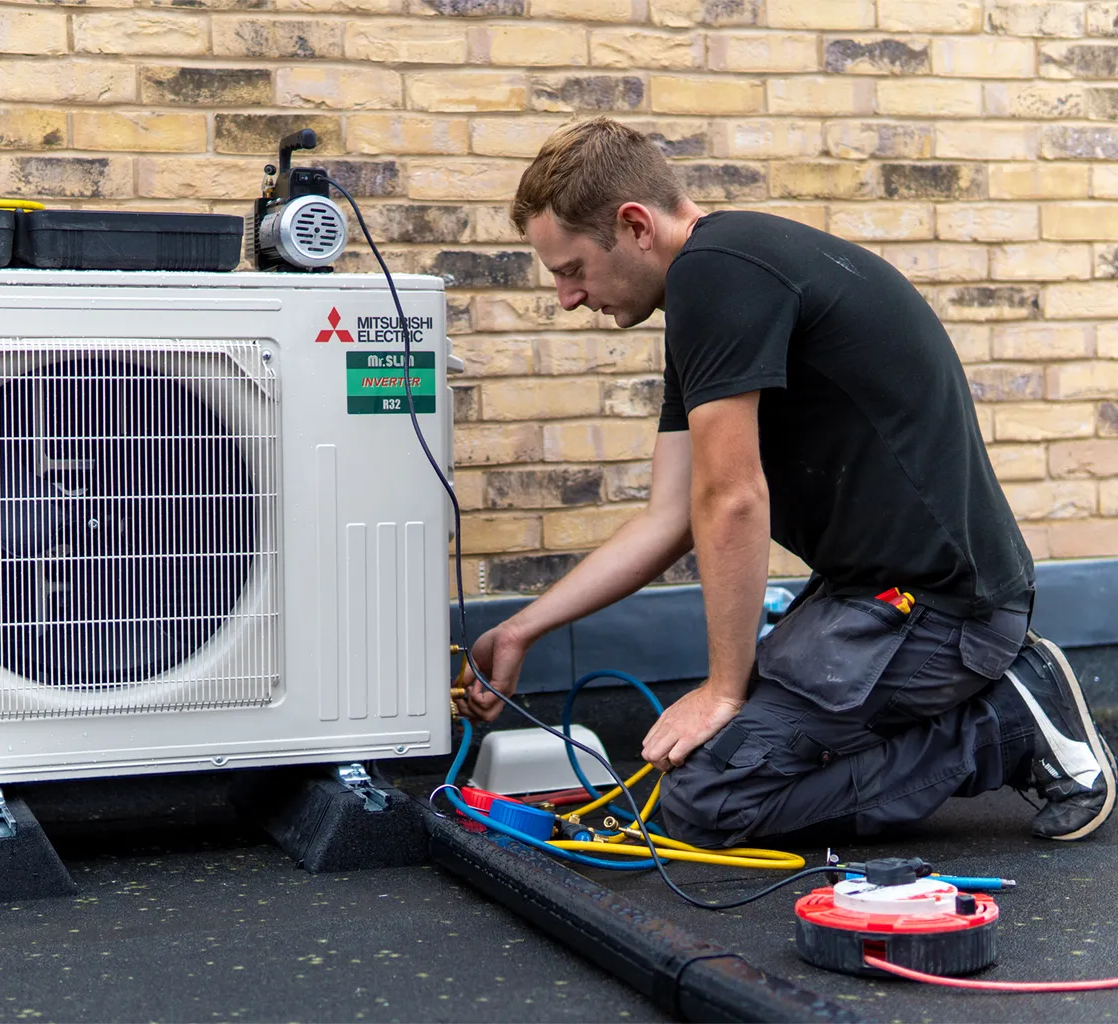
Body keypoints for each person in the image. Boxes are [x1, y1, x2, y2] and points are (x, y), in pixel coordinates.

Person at [456, 116, 1115, 846]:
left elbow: (732, 499)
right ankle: (989, 705)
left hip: (939, 612)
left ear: (635, 225)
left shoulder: (717, 273)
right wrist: (522, 629)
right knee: (704, 759)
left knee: (711, 801)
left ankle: (1008, 728)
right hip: (884, 599)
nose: (567, 298)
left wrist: (724, 688)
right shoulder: (722, 278)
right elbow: (669, 515)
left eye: (571, 268)